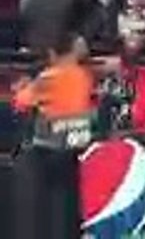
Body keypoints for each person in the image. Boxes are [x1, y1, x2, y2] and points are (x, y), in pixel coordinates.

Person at [12, 34, 94, 239]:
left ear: (53, 54)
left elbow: (21, 103)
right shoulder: (84, 76)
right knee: (71, 202)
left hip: (52, 149)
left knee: (52, 205)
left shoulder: (49, 77)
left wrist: (22, 88)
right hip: (78, 147)